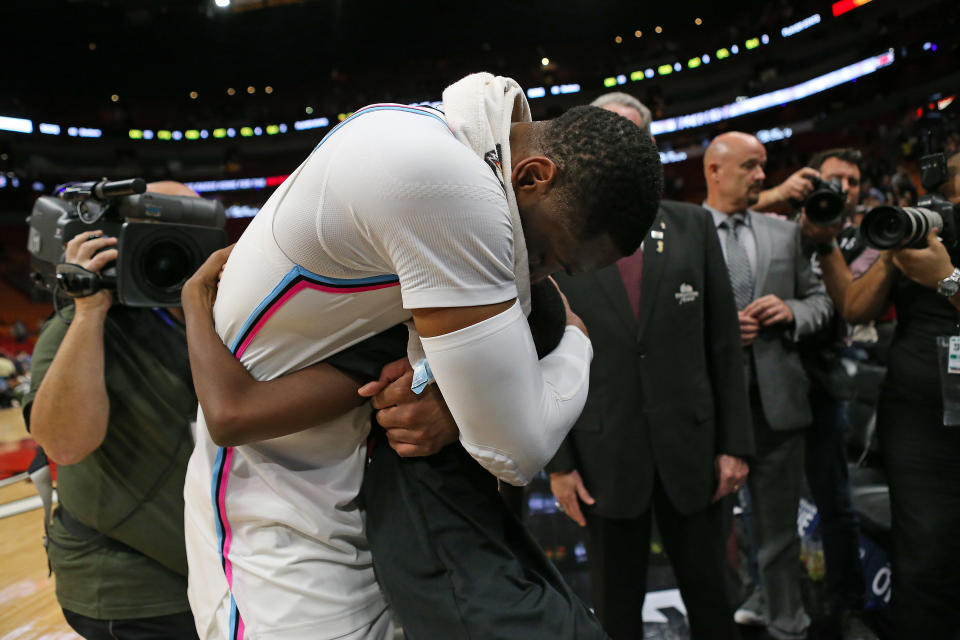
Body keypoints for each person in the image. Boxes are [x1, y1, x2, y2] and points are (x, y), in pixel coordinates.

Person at [182, 72, 662, 639]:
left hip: (356, 507)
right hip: (276, 532)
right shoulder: (445, 186)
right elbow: (515, 448)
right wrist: (579, 342)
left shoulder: (465, 173)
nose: (540, 276)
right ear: (532, 175)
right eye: (549, 254)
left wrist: (447, 393)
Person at [545, 93, 753, 640]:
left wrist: (735, 442)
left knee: (713, 600)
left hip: (695, 451)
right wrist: (559, 463)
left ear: (650, 148)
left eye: (629, 138)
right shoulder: (557, 234)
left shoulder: (693, 227)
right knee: (615, 610)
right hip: (602, 457)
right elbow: (542, 356)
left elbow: (724, 344)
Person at [24, 182, 202, 639]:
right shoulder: (78, 325)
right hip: (132, 592)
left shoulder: (227, 318)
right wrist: (89, 309)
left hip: (219, 574)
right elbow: (63, 444)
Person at [703, 132, 833, 640]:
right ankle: (726, 611)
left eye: (764, 166)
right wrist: (717, 329)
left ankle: (786, 621)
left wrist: (791, 310)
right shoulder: (684, 233)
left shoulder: (783, 233)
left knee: (779, 528)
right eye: (750, 167)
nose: (763, 177)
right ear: (714, 170)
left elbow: (821, 301)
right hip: (710, 406)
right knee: (714, 531)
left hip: (777, 401)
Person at [841, 150, 960, 638]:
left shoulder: (938, 263)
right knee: (922, 552)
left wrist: (947, 279)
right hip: (918, 416)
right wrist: (892, 252)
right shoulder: (925, 227)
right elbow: (854, 309)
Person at [794, 148, 879, 640]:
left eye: (851, 180)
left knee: (835, 500)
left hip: (825, 381)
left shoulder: (870, 236)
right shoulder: (781, 225)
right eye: (833, 179)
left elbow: (849, 305)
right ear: (811, 182)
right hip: (771, 379)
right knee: (768, 495)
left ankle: (849, 604)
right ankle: (768, 587)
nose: (841, 188)